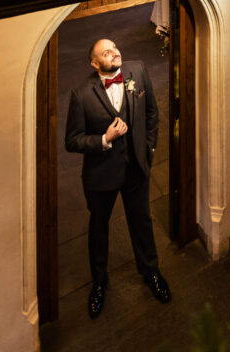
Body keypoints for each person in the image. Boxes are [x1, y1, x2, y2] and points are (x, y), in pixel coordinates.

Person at [65, 38, 170, 318]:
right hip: (101, 174)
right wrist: (104, 139)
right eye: (106, 52)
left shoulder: (138, 70)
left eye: (115, 48)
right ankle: (99, 283)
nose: (115, 53)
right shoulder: (81, 94)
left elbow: (152, 114)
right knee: (99, 228)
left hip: (136, 166)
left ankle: (151, 272)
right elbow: (72, 141)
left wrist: (149, 150)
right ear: (95, 63)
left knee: (142, 221)